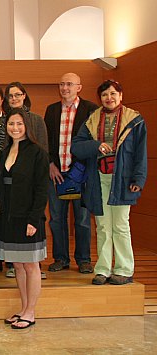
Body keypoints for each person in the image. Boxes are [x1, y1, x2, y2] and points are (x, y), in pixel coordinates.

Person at [72, 80, 147, 286]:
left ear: (120, 95)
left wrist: (138, 179)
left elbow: (141, 154)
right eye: (105, 95)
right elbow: (76, 147)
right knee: (103, 225)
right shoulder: (92, 119)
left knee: (121, 225)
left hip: (123, 180)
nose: (109, 98)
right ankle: (103, 269)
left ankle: (124, 269)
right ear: (100, 98)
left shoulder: (135, 120)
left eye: (113, 94)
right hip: (99, 178)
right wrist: (97, 146)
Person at [0, 108, 49, 329]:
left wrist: (34, 219)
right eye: (11, 124)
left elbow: (41, 189)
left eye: (19, 124)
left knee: (31, 266)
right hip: (8, 217)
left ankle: (31, 311)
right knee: (17, 265)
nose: (15, 128)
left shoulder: (38, 153)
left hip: (28, 218)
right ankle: (23, 307)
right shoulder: (5, 150)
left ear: (27, 125)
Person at [44, 73, 98, 274]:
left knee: (82, 219)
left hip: (81, 173)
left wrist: (80, 168)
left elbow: (92, 141)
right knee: (57, 218)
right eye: (62, 84)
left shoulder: (91, 109)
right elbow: (46, 140)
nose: (65, 87)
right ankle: (60, 258)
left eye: (69, 84)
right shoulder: (51, 110)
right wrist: (50, 163)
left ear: (79, 87)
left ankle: (84, 259)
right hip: (56, 173)